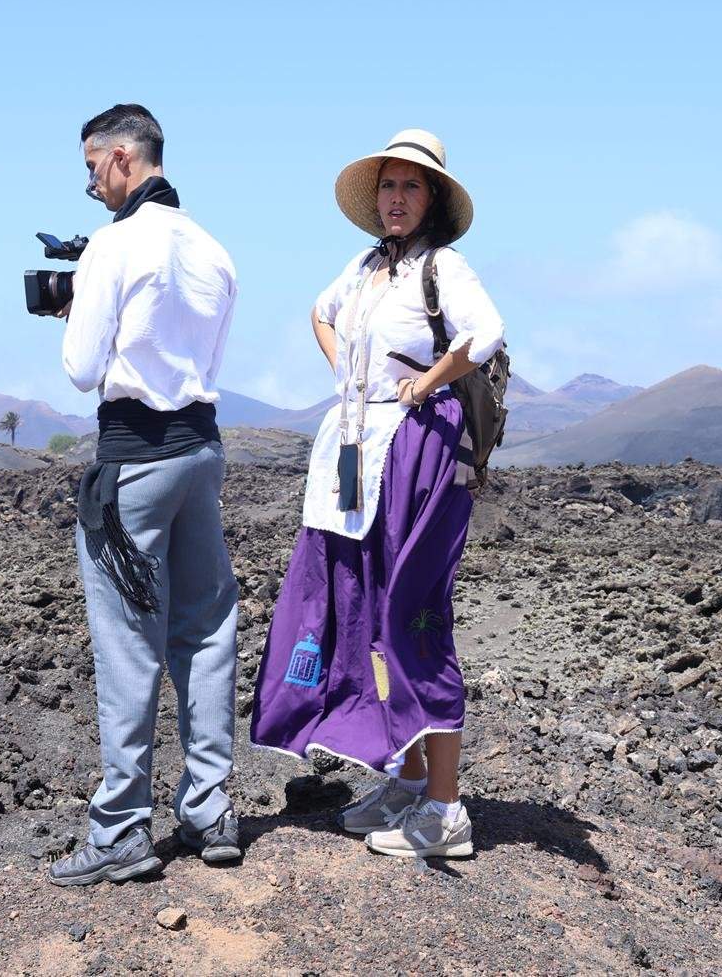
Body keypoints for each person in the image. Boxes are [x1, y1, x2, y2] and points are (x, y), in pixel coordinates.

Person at [249, 128, 504, 861]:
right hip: (357, 450)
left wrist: (425, 382)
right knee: (362, 610)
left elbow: (485, 333)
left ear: (432, 201)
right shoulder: (363, 269)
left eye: (409, 187)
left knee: (412, 617)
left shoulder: (442, 269)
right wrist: (346, 377)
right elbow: (319, 313)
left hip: (415, 449)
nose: (396, 198)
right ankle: (407, 779)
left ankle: (446, 811)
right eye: (387, 186)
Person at [49, 103, 243, 886]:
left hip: (132, 459)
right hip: (201, 451)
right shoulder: (212, 247)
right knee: (203, 629)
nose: (90, 180)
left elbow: (81, 366)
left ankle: (121, 828)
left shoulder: (115, 243)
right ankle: (209, 807)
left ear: (124, 156)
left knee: (129, 646)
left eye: (93, 164)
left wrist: (72, 307)